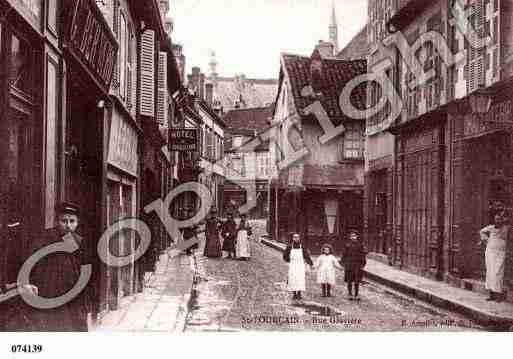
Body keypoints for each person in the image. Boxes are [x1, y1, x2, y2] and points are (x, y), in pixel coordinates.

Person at [29, 202, 91, 331]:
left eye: (72, 221)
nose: (68, 225)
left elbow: (84, 271)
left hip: (73, 296)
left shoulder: (79, 242)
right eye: (64, 221)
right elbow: (31, 262)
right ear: (57, 221)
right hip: (50, 292)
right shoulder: (45, 239)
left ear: (77, 223)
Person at [479, 212, 510, 302]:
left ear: (502, 220)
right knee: (490, 272)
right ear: (494, 220)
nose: (497, 221)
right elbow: (481, 231)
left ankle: (498, 296)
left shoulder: (505, 228)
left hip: (500, 253)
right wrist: (486, 240)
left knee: (498, 273)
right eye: (496, 219)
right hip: (490, 252)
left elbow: (506, 235)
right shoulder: (491, 227)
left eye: (499, 219)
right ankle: (491, 295)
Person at [283, 233, 313, 300]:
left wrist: (310, 263)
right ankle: (294, 294)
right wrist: (289, 260)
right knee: (293, 278)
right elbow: (285, 256)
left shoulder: (302, 246)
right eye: (295, 237)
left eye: (297, 237)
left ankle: (299, 293)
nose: (296, 239)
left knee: (300, 279)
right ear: (293, 238)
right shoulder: (289, 246)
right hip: (293, 264)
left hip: (300, 264)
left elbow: (306, 255)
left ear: (299, 238)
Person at [340, 230, 366, 301]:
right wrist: (343, 262)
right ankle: (350, 294)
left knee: (357, 280)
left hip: (357, 264)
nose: (353, 237)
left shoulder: (360, 245)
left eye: (354, 236)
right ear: (350, 237)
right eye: (352, 236)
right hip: (349, 264)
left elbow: (362, 255)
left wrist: (363, 263)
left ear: (357, 237)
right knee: (349, 280)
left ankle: (357, 294)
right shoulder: (347, 245)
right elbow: (344, 254)